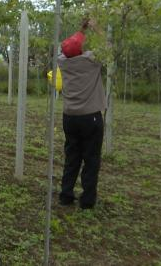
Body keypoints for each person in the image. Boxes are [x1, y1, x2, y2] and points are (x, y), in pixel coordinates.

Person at [57, 17, 106, 210]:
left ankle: (66, 196)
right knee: (91, 159)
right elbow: (107, 48)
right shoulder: (91, 61)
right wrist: (96, 28)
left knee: (72, 157)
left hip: (70, 117)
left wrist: (81, 30)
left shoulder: (63, 62)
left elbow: (70, 48)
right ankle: (87, 201)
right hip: (90, 117)